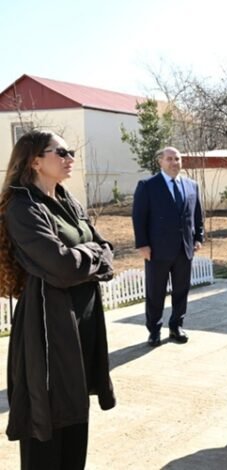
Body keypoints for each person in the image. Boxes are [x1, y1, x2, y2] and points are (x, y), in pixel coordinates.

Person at [1, 130, 115, 469]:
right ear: (35, 161)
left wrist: (89, 255)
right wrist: (93, 255)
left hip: (82, 324)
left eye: (71, 152)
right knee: (48, 420)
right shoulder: (23, 207)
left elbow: (107, 249)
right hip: (47, 328)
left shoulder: (68, 200)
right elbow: (63, 267)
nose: (70, 158)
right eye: (61, 152)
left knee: (76, 416)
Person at [132, 147, 204, 347]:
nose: (174, 163)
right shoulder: (148, 186)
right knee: (156, 292)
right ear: (160, 162)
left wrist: (198, 237)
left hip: (184, 248)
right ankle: (154, 330)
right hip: (157, 250)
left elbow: (197, 215)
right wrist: (143, 244)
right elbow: (139, 217)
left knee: (181, 290)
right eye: (169, 159)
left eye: (177, 159)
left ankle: (176, 326)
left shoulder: (191, 185)